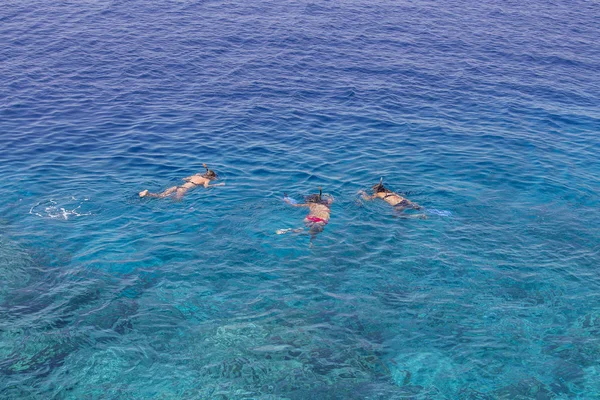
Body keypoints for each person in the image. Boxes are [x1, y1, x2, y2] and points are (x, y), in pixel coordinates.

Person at [139, 164, 223, 200]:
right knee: (177, 201)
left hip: (178, 186)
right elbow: (206, 187)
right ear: (212, 177)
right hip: (183, 189)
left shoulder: (196, 175)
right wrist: (218, 184)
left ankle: (148, 194)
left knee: (162, 195)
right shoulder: (207, 180)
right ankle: (148, 194)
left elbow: (184, 179)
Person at [360, 178, 426, 218]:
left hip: (398, 205)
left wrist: (362, 193)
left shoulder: (378, 194)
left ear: (376, 190)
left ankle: (417, 216)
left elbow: (368, 199)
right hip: (405, 200)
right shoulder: (389, 191)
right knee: (419, 208)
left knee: (396, 215)